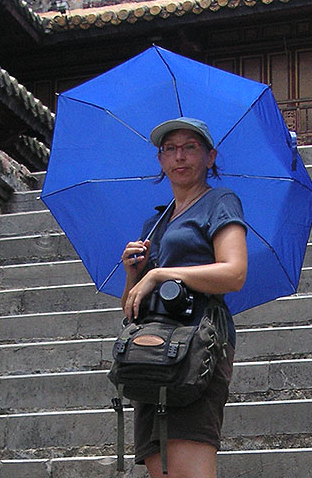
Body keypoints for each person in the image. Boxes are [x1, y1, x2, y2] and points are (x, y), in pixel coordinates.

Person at [120, 117, 248, 478]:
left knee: (190, 467)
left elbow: (234, 273)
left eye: (190, 147)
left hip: (197, 345)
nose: (180, 156)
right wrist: (134, 274)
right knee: (160, 469)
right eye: (170, 149)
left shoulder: (219, 202)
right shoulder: (155, 223)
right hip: (152, 349)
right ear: (161, 160)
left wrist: (162, 273)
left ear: (210, 157)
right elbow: (130, 309)